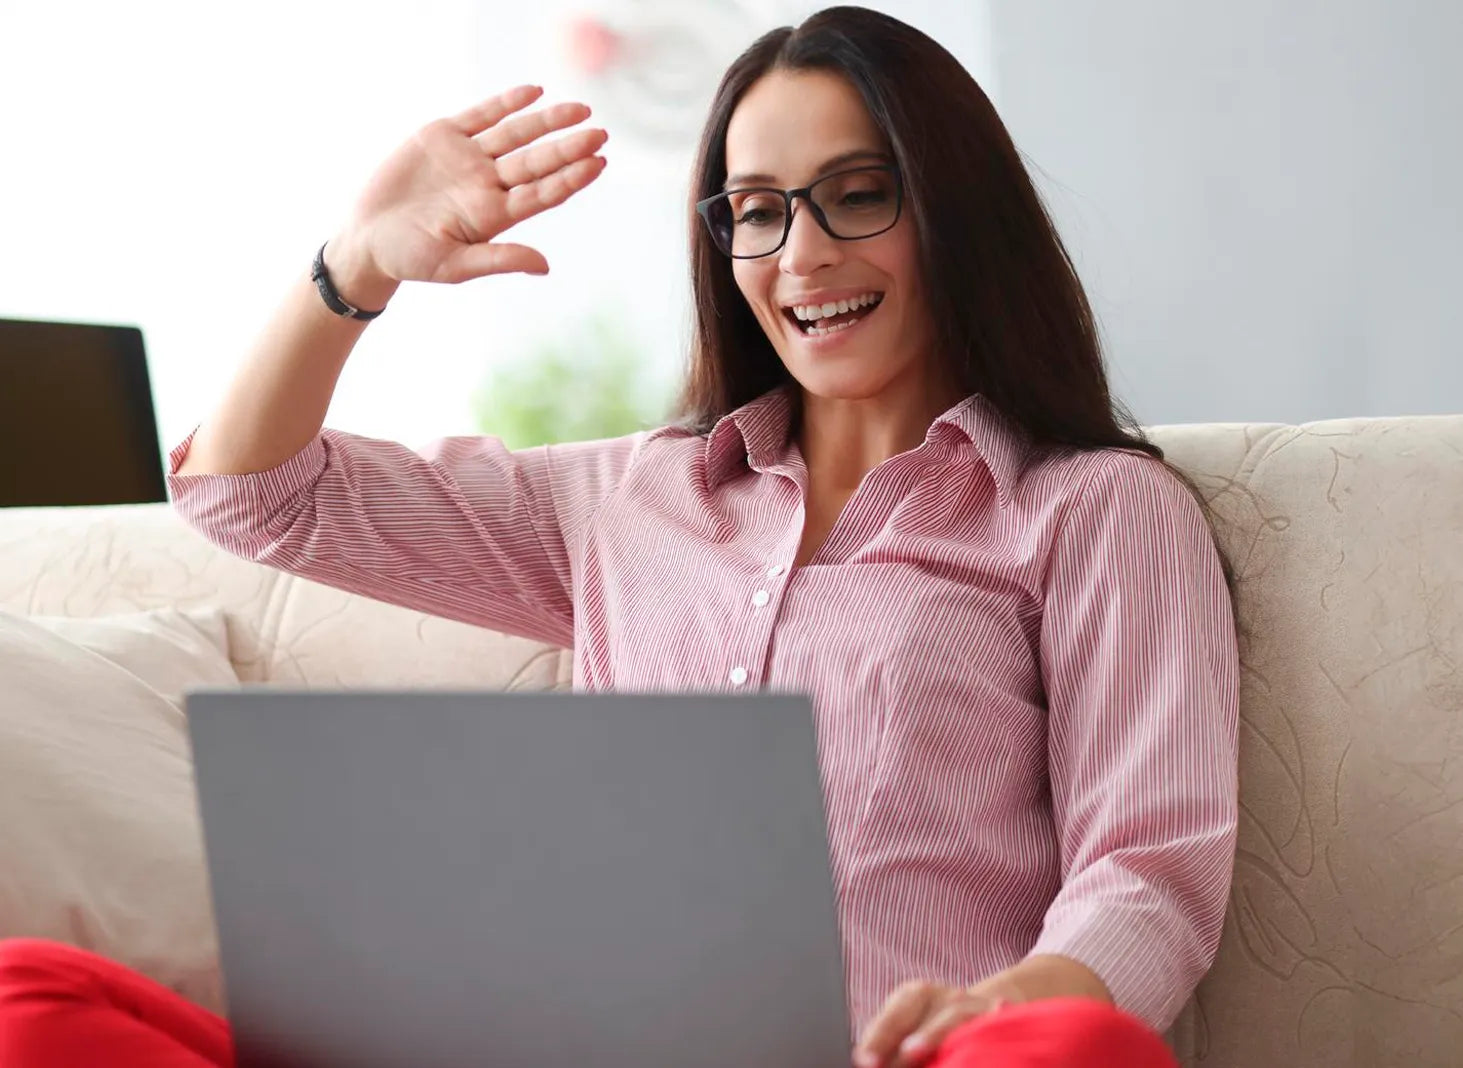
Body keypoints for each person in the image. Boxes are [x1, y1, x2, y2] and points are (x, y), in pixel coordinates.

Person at [0, 6, 1237, 1067]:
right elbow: (251, 494)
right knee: (29, 998)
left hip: (910, 1052)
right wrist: (354, 265)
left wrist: (1003, 1005)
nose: (801, 253)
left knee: (1075, 1049)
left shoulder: (1092, 511)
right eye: (755, 211)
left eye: (858, 196)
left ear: (958, 213)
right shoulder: (623, 501)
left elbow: (1148, 876)